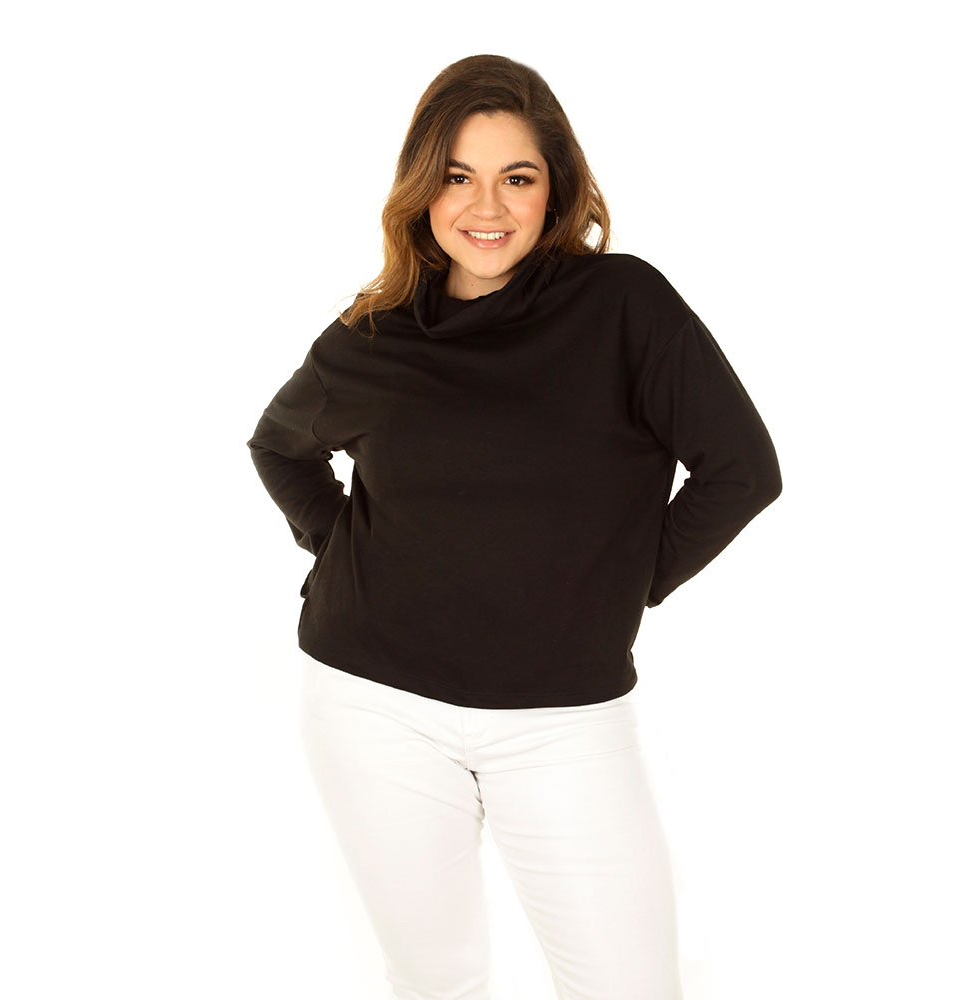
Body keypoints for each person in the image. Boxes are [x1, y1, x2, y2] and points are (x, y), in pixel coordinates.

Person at [246, 53, 781, 1000]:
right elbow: (278, 446)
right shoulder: (373, 336)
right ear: (423, 190)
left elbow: (743, 470)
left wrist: (623, 581)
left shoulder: (623, 306)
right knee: (438, 982)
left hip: (564, 721)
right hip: (372, 707)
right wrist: (343, 550)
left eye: (517, 178)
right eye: (458, 176)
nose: (485, 206)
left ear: (554, 191)